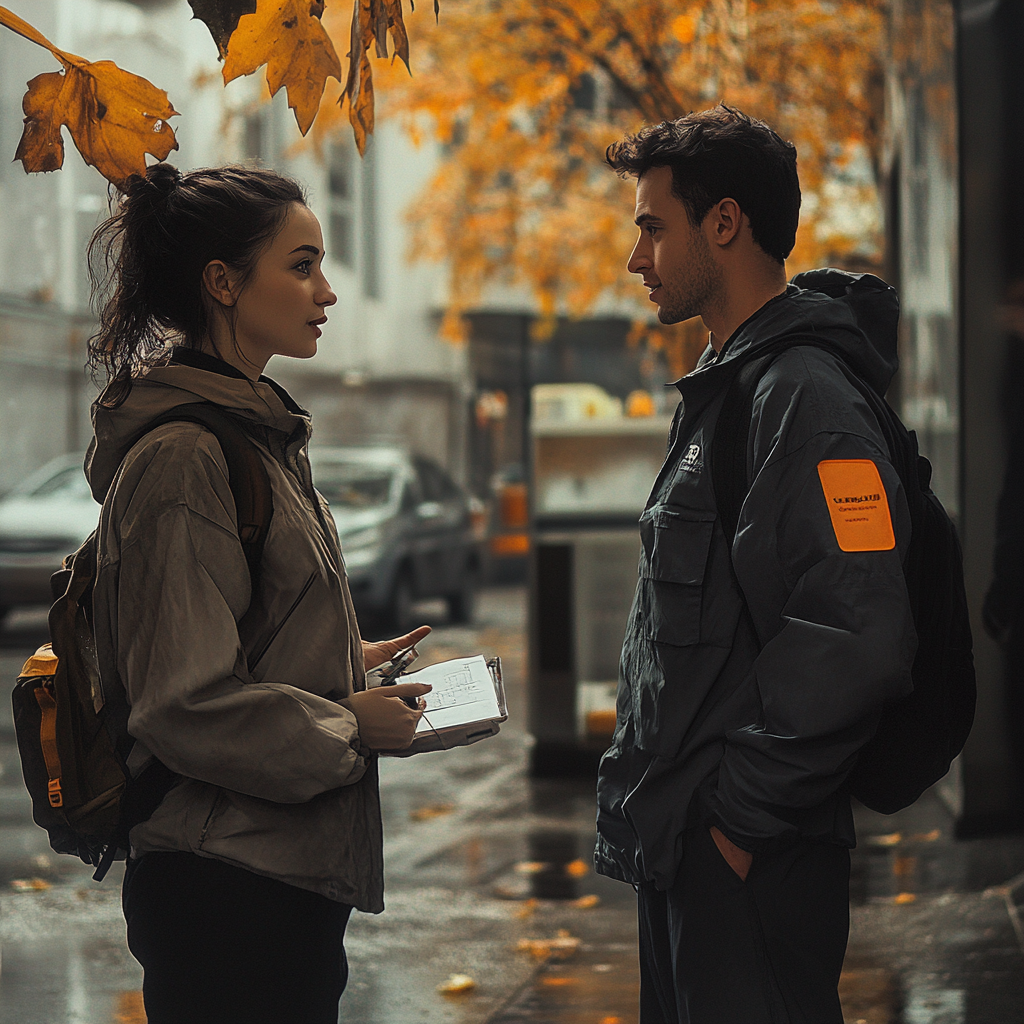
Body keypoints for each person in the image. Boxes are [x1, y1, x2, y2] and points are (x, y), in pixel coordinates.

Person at [84, 162, 432, 1024]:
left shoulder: (255, 433)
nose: (328, 291)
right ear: (223, 283)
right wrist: (349, 723)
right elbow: (184, 702)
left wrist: (344, 661)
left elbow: (234, 642)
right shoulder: (186, 458)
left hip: (274, 874)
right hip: (224, 890)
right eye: (303, 264)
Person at [595, 106, 917, 1023]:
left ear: (724, 223)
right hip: (691, 854)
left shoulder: (806, 402)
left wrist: (737, 825)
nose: (637, 258)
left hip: (749, 862)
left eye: (653, 227)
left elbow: (860, 634)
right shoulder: (731, 387)